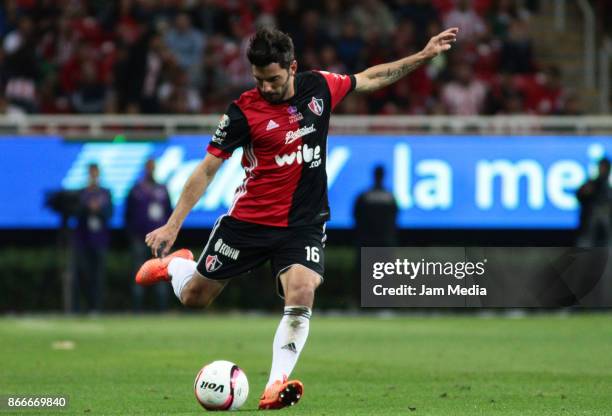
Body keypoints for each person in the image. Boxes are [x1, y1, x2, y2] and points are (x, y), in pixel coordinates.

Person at [136, 26, 458, 409]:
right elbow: (207, 169)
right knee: (194, 297)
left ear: (292, 68)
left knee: (303, 291)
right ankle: (177, 267)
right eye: (258, 80)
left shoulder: (320, 88)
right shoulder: (243, 111)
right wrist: (174, 225)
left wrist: (421, 57)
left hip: (303, 224)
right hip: (249, 222)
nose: (266, 88)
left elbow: (370, 77)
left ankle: (275, 385)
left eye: (272, 79)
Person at [125, 159, 172, 312]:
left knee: (161, 274)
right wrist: (133, 234)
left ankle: (161, 310)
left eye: (153, 167)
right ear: (145, 168)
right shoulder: (136, 189)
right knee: (138, 273)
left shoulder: (162, 189)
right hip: (140, 238)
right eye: (149, 167)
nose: (151, 169)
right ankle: (137, 310)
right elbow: (128, 214)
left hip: (159, 241)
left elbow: (169, 213)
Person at [73, 163, 113, 313]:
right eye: (91, 173)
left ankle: (96, 307)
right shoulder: (82, 193)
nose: (93, 175)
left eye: (95, 172)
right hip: (83, 239)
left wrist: (99, 209)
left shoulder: (105, 192)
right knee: (82, 274)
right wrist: (87, 208)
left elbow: (109, 214)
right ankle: (79, 307)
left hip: (100, 240)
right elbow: (75, 213)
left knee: (98, 276)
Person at [353, 165, 399, 247]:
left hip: (367, 241)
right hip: (384, 241)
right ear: (383, 176)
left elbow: (356, 216)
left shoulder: (364, 196)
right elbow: (394, 219)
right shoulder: (390, 197)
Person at [576, 158, 612, 247]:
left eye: (606, 168)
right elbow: (579, 196)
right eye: (602, 167)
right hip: (588, 229)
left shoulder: (609, 187)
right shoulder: (591, 184)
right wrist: (584, 192)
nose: (603, 170)